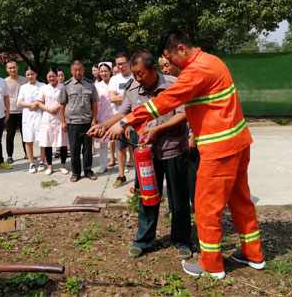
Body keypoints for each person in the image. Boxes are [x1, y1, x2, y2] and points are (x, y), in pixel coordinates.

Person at [104, 30, 266, 279]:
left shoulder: (196, 71)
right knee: (241, 200)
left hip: (219, 149)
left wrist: (126, 121)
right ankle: (253, 254)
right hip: (239, 142)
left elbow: (164, 101)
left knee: (205, 206)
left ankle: (212, 264)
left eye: (170, 58)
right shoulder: (213, 61)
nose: (169, 64)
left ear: (181, 49)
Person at [89, 52, 192, 260]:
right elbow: (123, 113)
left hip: (174, 150)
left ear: (154, 69)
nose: (137, 79)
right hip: (147, 155)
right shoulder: (133, 88)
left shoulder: (174, 84)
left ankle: (181, 240)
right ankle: (144, 240)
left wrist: (158, 130)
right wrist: (104, 125)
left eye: (141, 74)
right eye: (134, 74)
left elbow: (183, 114)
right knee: (147, 198)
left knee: (178, 199)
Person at [160, 55, 198, 209]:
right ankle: (174, 208)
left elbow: (197, 113)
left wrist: (193, 137)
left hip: (190, 137)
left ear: (176, 64)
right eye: (162, 67)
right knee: (174, 179)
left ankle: (196, 207)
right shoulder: (166, 87)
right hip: (175, 142)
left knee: (193, 175)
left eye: (167, 65)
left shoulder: (186, 83)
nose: (165, 69)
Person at [59, 60, 99, 182]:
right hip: (73, 122)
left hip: (87, 121)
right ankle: (75, 173)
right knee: (75, 149)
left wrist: (94, 120)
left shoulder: (90, 84)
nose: (78, 72)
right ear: (71, 71)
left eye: (80, 70)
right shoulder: (66, 85)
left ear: (83, 70)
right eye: (75, 70)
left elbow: (94, 103)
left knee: (87, 149)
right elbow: (62, 105)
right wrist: (63, 122)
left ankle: (88, 171)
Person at [108, 52, 135, 187]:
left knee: (138, 148)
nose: (121, 67)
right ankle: (121, 176)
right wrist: (128, 97)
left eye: (123, 63)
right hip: (119, 120)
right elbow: (112, 98)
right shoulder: (114, 79)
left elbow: (136, 100)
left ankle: (140, 179)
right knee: (121, 148)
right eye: (118, 64)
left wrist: (122, 96)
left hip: (135, 119)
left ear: (129, 62)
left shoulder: (136, 77)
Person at [37, 68, 69, 176]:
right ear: (47, 77)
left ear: (57, 76)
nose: (51, 78)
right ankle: (50, 166)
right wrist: (49, 109)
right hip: (48, 117)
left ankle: (62, 165)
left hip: (61, 117)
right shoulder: (44, 88)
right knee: (48, 143)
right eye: (49, 76)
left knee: (63, 143)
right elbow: (40, 102)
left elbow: (66, 101)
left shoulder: (63, 87)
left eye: (53, 76)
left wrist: (57, 107)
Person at [18, 67, 45, 173]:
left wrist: (37, 104)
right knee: (28, 140)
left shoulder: (42, 86)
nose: (30, 76)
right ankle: (31, 163)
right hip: (28, 116)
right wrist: (30, 104)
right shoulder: (23, 87)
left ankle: (42, 161)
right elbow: (19, 102)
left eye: (32, 74)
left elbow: (46, 99)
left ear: (36, 74)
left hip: (40, 115)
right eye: (28, 74)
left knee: (42, 140)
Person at [4, 60, 28, 164]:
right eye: (10, 68)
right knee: (10, 134)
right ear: (7, 69)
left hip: (24, 111)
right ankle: (10, 155)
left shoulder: (25, 80)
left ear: (17, 68)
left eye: (14, 67)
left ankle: (27, 153)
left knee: (25, 134)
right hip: (11, 111)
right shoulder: (4, 82)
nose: (12, 69)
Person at [94, 62, 115, 174]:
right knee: (103, 143)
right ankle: (103, 165)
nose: (103, 73)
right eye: (101, 71)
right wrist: (95, 117)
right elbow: (96, 103)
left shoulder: (115, 83)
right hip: (102, 115)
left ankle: (121, 163)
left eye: (105, 71)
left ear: (110, 71)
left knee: (118, 141)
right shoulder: (97, 86)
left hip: (115, 115)